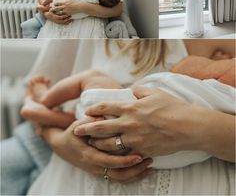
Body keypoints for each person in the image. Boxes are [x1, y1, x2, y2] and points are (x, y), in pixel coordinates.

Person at [2, 39, 234, 196]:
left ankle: (45, 105)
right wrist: (58, 143)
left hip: (126, 131)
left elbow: (186, 70)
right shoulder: (100, 33)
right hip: (99, 145)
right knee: (87, 119)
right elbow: (31, 90)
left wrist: (206, 129)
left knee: (93, 82)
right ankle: (45, 108)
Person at [21, 0, 121, 38]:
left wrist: (78, 4)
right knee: (56, 2)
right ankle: (42, 7)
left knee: (54, 1)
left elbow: (118, 10)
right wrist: (48, 15)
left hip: (65, 2)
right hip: (68, 7)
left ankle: (42, 4)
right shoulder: (98, 3)